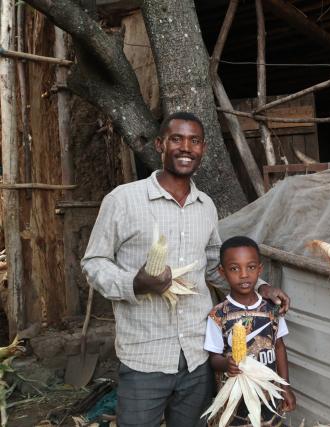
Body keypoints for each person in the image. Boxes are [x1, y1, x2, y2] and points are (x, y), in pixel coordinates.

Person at [81, 112, 290, 427]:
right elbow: (93, 263)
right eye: (176, 139)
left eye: (194, 141)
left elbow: (214, 266)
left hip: (198, 353)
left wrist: (260, 286)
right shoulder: (124, 200)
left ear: (203, 149)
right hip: (145, 357)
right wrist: (135, 283)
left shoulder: (205, 206)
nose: (185, 147)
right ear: (160, 144)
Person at [205, 236, 296, 426]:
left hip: (269, 398)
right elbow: (213, 358)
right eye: (234, 268)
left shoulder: (272, 310)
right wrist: (226, 364)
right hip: (235, 403)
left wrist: (285, 386)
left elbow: (279, 347)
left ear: (260, 269)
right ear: (222, 272)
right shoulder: (218, 314)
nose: (244, 275)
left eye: (251, 267)